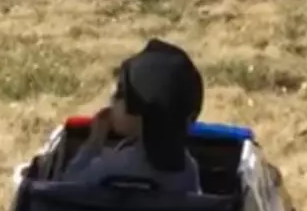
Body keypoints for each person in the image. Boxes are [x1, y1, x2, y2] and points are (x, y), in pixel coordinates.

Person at [61, 38, 204, 193]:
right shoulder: (187, 170)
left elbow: (68, 186)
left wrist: (95, 141)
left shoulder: (111, 165)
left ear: (138, 113)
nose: (112, 101)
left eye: (120, 95)